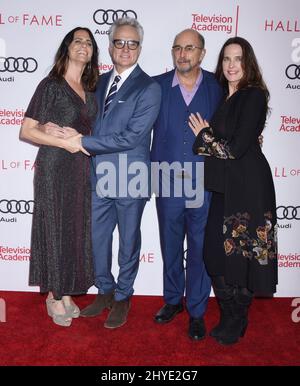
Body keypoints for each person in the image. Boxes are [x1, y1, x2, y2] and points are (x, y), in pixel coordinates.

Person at [67, 17, 161, 328]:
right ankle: (104, 290)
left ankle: (123, 296)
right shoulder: (99, 82)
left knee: (129, 241)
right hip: (98, 176)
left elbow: (132, 137)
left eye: (132, 43)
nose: (125, 48)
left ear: (139, 48)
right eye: (119, 42)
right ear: (109, 47)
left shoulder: (149, 87)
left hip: (131, 177)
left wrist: (83, 142)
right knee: (98, 240)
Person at [189, 36, 278, 345]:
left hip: (248, 186)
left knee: (243, 255)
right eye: (226, 58)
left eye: (238, 58)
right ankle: (230, 313)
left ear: (247, 62)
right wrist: (212, 139)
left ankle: (237, 317)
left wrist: (204, 136)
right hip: (225, 186)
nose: (231, 64)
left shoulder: (253, 95)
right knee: (215, 255)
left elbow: (236, 149)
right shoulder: (225, 97)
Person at [19, 27, 99, 327]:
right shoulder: (50, 85)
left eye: (89, 43)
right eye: (78, 41)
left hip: (81, 170)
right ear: (67, 47)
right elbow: (26, 130)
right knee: (55, 226)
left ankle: (67, 293)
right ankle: (54, 295)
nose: (83, 46)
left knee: (75, 229)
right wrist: (63, 141)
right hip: (54, 167)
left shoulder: (91, 89)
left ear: (93, 52)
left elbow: (93, 132)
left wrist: (81, 139)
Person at [151, 29, 223, 340]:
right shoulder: (155, 86)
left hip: (203, 186)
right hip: (166, 183)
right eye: (178, 47)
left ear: (202, 53)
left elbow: (232, 130)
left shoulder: (218, 88)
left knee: (198, 250)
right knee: (169, 247)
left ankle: (196, 310)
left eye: (190, 48)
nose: (183, 53)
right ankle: (171, 301)